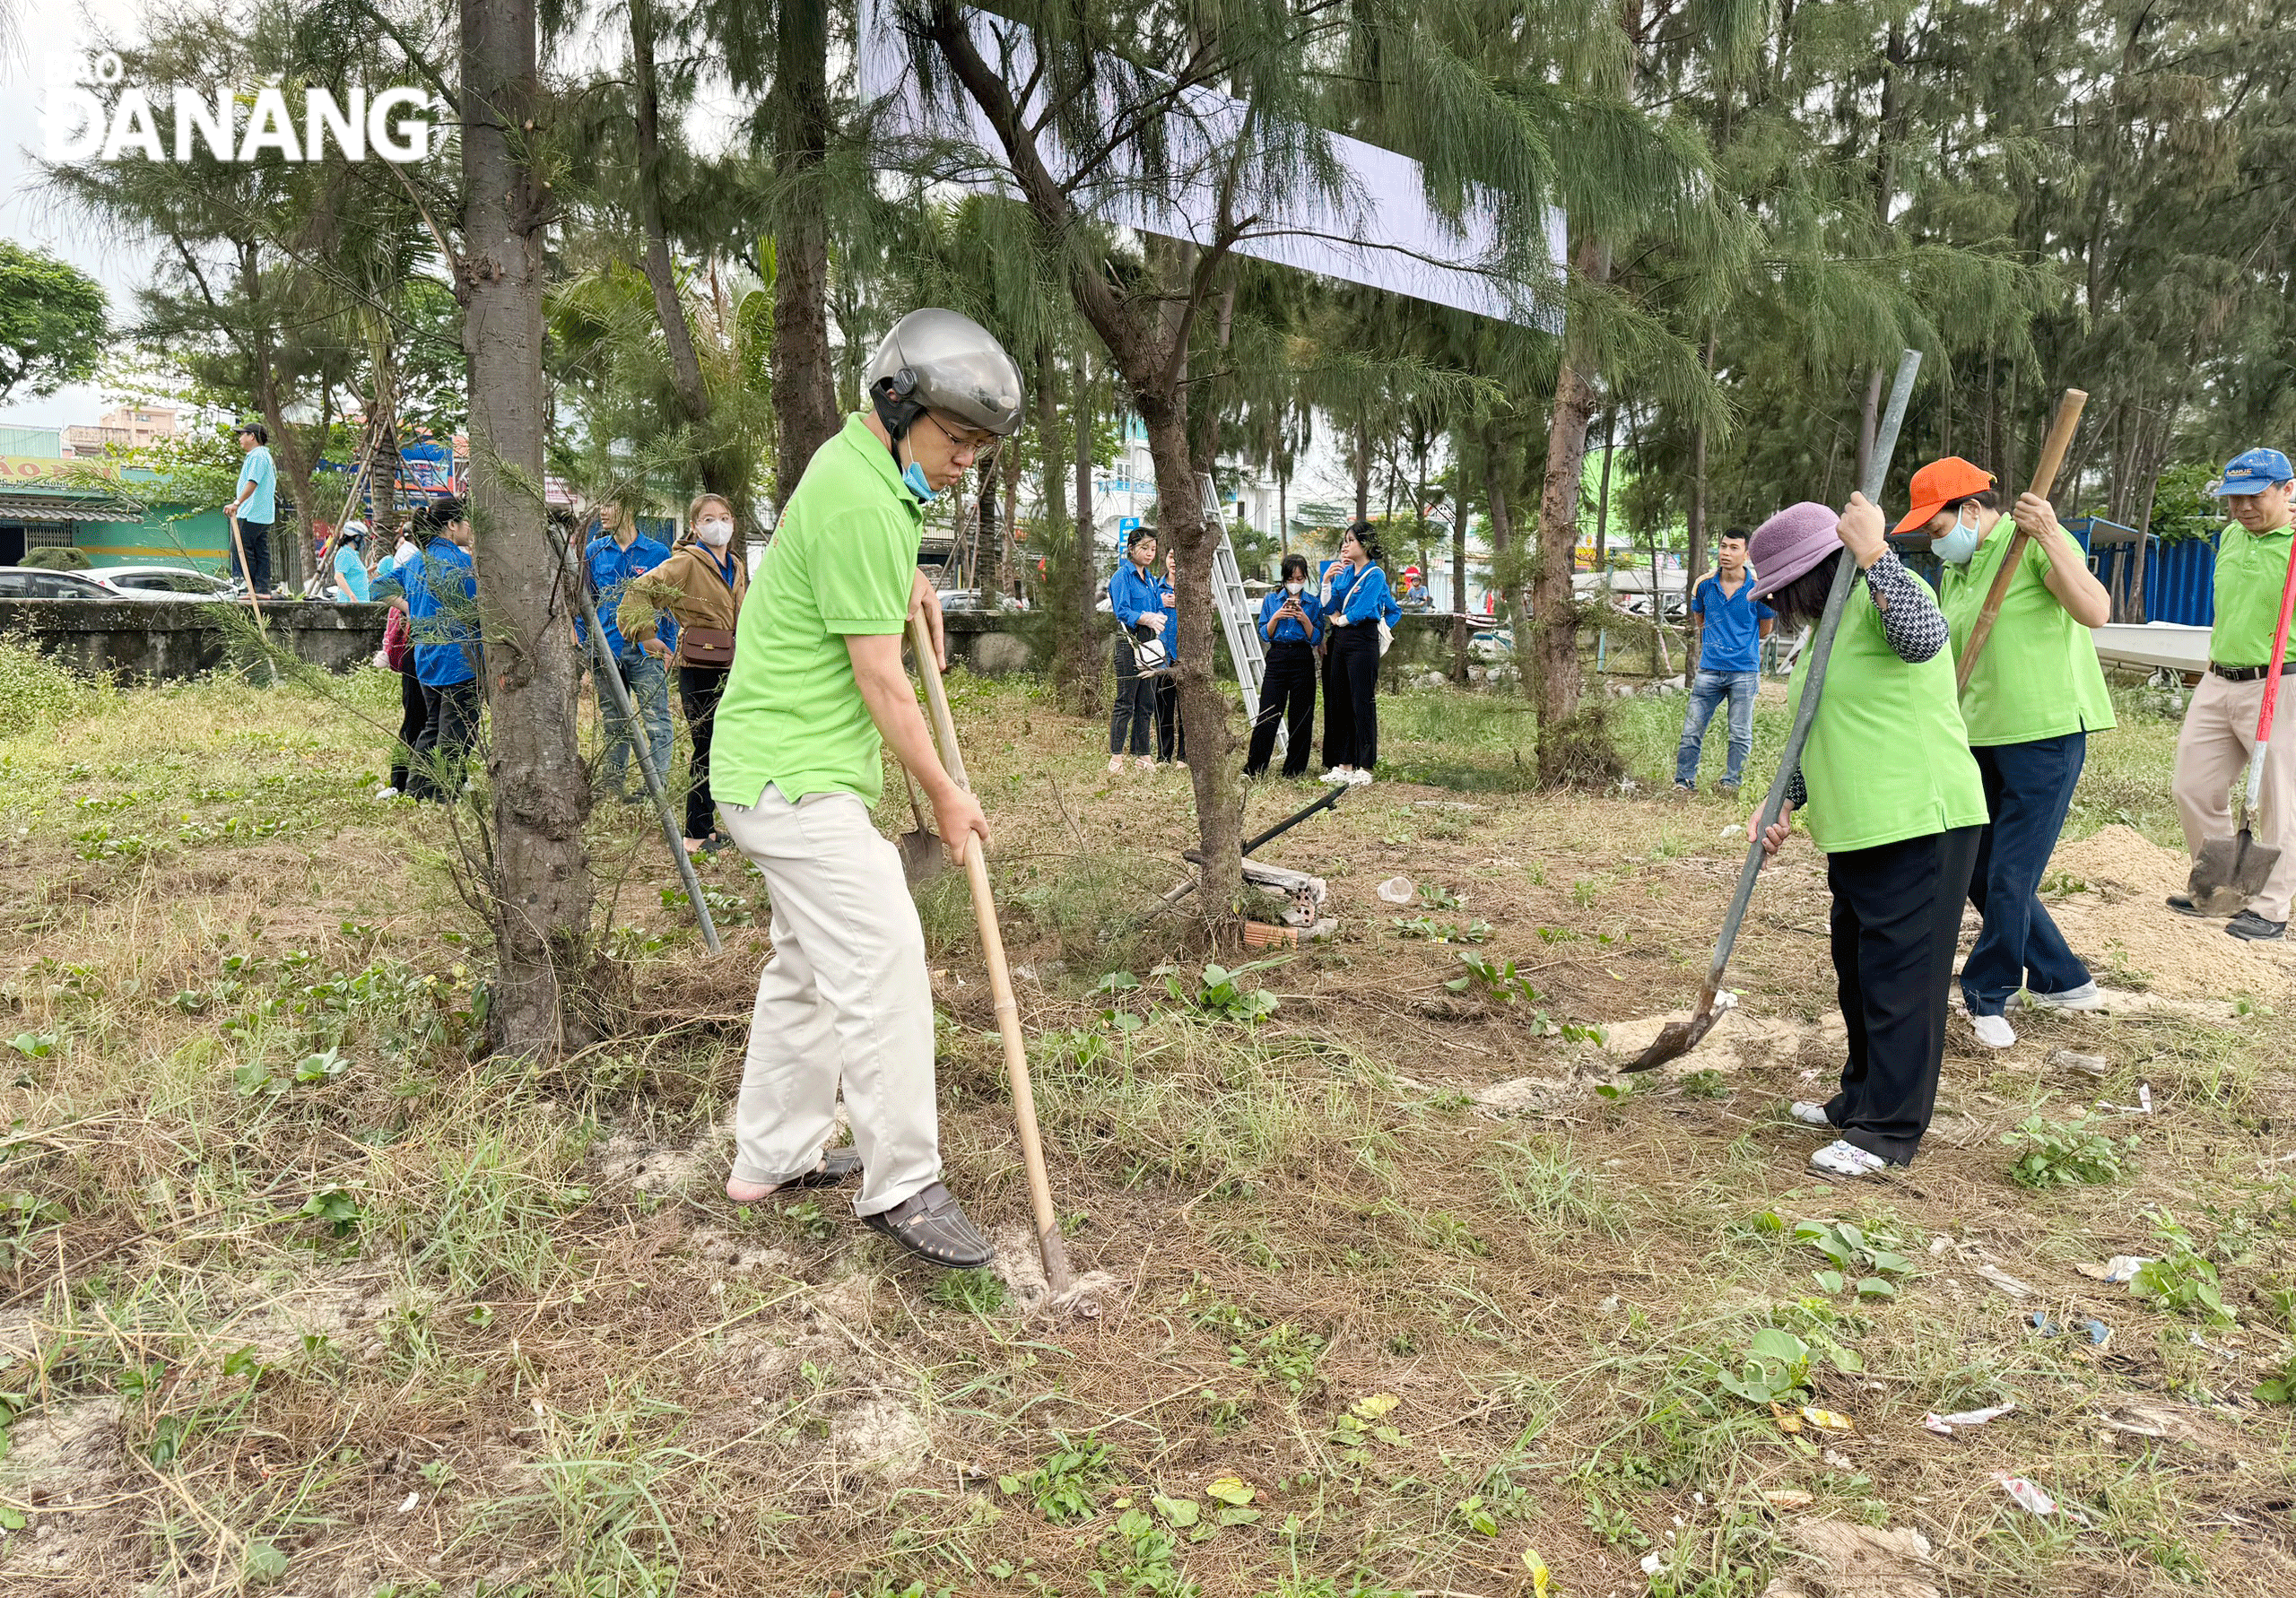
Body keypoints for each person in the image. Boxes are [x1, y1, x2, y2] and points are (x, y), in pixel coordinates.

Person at [708, 305, 1016, 1270]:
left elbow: (854, 581)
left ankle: (770, 1156)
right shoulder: (858, 496)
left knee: (803, 971)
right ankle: (904, 1185)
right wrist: (944, 794)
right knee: (884, 955)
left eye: (978, 446)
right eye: (957, 438)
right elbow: (882, 680)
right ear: (897, 405)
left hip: (786, 770)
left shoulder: (870, 479)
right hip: (789, 780)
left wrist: (909, 583)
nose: (967, 460)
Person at [1746, 495, 1987, 1179]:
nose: (1784, 606)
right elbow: (1818, 727)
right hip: (1859, 827)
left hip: (1920, 818)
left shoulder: (1890, 592)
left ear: (1812, 575)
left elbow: (1923, 640)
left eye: (1786, 592)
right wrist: (1784, 800)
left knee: (1900, 982)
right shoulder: (1826, 631)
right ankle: (1859, 1098)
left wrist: (1877, 553)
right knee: (1858, 973)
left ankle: (1887, 1131)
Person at [1905, 458, 2116, 1047]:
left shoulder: (2033, 545)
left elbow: (2095, 611)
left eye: (1937, 527)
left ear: (1971, 510)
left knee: (2010, 874)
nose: (1932, 540)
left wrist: (2050, 532)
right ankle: (2064, 977)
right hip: (1978, 736)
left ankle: (1988, 994)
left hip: (2043, 735)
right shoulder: (1961, 571)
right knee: (1977, 868)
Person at [2168, 447, 2296, 941]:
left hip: (2280, 682)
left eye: (2254, 495)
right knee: (2194, 787)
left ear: (2287, 491)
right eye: (2234, 497)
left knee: (2278, 799)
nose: (2242, 507)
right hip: (2219, 677)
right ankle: (2221, 889)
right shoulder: (2231, 536)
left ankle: (2270, 907)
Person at [618, 492, 750, 854]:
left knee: (725, 746)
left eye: (724, 517)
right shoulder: (686, 563)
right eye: (708, 519)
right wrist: (646, 636)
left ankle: (707, 826)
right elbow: (639, 591)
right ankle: (694, 834)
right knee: (706, 747)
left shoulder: (735, 565)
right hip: (699, 668)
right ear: (694, 526)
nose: (718, 525)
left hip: (732, 664)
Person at [582, 503, 677, 801]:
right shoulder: (594, 551)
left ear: (629, 508)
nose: (602, 511)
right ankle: (612, 785)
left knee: (656, 718)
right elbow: (584, 603)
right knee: (614, 721)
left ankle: (655, 786)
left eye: (610, 505)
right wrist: (588, 644)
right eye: (600, 504)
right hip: (607, 649)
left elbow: (670, 605)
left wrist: (669, 647)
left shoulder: (657, 553)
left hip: (646, 650)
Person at [1674, 528, 1775, 795]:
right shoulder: (1704, 584)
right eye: (1722, 546)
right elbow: (1701, 621)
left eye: (1733, 548)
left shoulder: (1759, 588)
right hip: (1709, 669)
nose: (1725, 553)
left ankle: (1731, 783)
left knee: (1740, 732)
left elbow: (1765, 629)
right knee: (1691, 729)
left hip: (1743, 670)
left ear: (1746, 554)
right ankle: (1683, 781)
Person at [397, 496, 482, 803]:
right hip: (460, 659)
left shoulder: (416, 561)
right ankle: (443, 794)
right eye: (467, 522)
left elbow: (378, 587)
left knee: (433, 725)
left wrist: (413, 609)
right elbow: (479, 612)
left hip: (427, 657)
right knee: (456, 732)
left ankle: (416, 790)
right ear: (451, 525)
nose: (471, 528)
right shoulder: (462, 564)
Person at [1320, 519, 1400, 786]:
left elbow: (1365, 608)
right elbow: (1328, 606)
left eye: (1351, 540)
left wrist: (1340, 619)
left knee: (1361, 703)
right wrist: (1326, 582)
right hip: (1341, 640)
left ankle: (1365, 766)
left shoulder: (1375, 575)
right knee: (1339, 701)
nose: (1346, 545)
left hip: (1362, 639)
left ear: (1364, 544)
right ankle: (1344, 764)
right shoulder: (1343, 574)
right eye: (1345, 541)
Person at [1244, 552, 1323, 778]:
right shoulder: (1271, 600)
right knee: (1268, 711)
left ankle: (1295, 769)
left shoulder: (1312, 602)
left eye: (1300, 578)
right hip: (1277, 657)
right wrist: (1277, 616)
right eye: (1291, 578)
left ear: (1305, 578)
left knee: (1301, 713)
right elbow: (1265, 634)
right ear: (1284, 578)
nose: (1295, 583)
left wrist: (1304, 619)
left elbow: (1317, 638)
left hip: (1302, 657)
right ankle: (1255, 766)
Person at [1106, 526, 1172, 775]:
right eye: (1144, 548)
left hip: (1150, 642)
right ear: (1131, 549)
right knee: (1126, 701)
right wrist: (1144, 617)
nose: (1149, 553)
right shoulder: (1122, 576)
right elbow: (1122, 610)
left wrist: (1159, 615)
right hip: (1129, 642)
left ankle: (1143, 755)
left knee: (1147, 701)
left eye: (1153, 549)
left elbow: (1157, 606)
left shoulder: (1152, 579)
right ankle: (1116, 757)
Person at [375, 592, 422, 801]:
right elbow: (380, 588)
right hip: (416, 651)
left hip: (444, 654)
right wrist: (410, 609)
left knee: (445, 722)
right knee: (414, 720)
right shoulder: (412, 565)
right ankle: (400, 783)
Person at [225, 421, 277, 595]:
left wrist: (237, 503)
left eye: (243, 434)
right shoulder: (264, 456)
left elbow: (252, 482)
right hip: (261, 513)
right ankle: (262, 588)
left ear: (252, 436)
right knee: (260, 550)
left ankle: (254, 586)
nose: (240, 439)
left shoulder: (257, 456)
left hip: (251, 512)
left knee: (239, 547)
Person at [331, 520, 373, 603]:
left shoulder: (353, 554)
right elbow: (338, 576)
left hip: (361, 602)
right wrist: (351, 595)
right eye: (362, 538)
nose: (364, 542)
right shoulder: (345, 553)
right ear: (356, 538)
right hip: (351, 603)